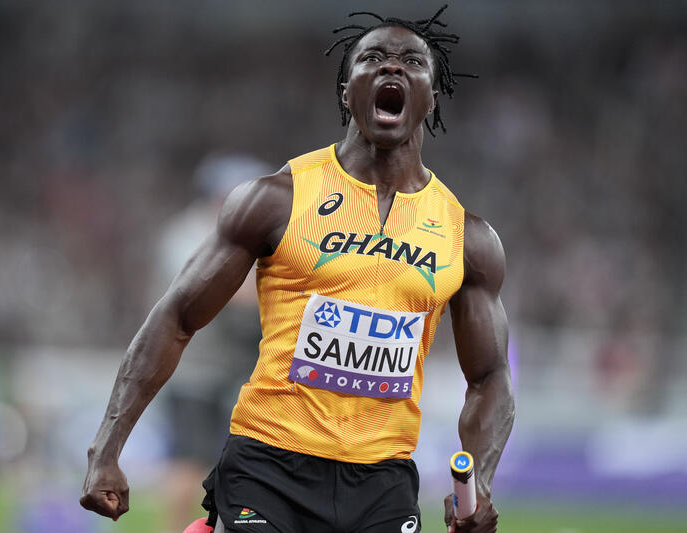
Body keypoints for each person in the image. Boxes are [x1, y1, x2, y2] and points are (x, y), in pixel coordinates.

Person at [80, 7, 515, 533]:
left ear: (432, 97)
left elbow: (490, 376)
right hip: (269, 467)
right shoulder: (276, 200)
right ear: (346, 92)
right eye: (372, 58)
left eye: (412, 62)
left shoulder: (467, 238)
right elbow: (176, 317)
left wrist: (480, 481)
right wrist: (106, 448)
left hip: (382, 482)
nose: (391, 68)